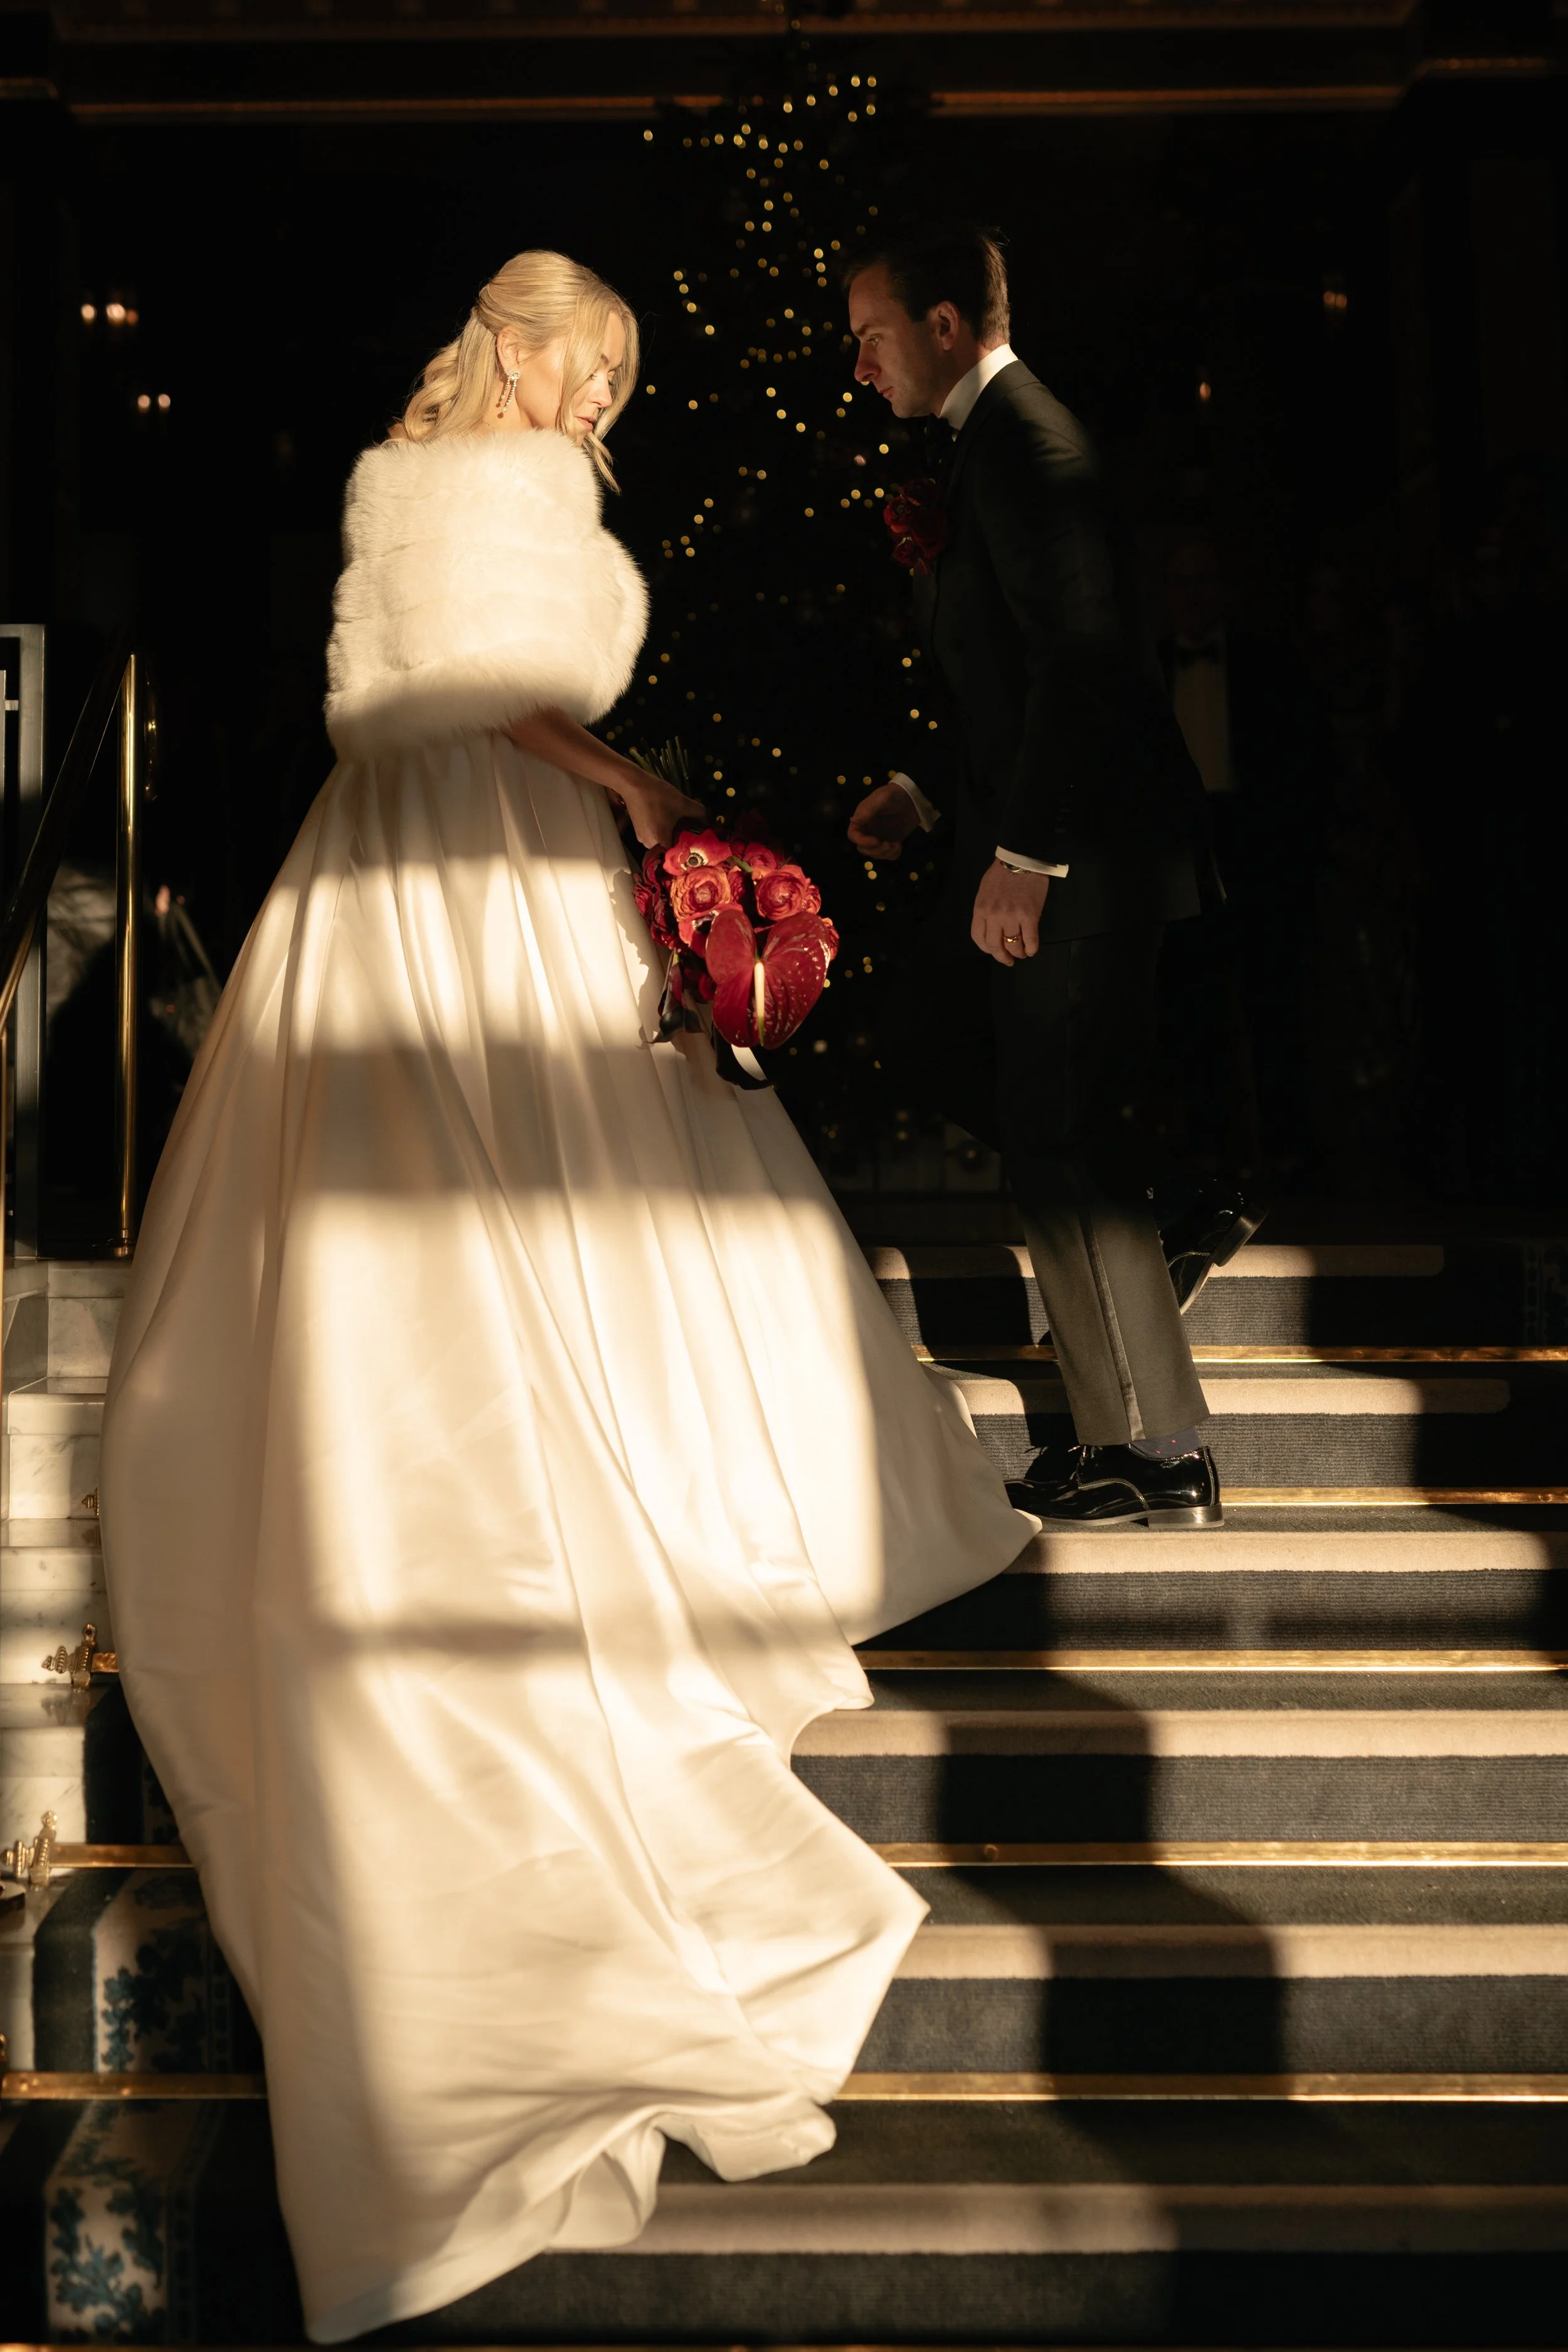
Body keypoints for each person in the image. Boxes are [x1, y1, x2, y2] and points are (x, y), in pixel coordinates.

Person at [100, 248, 1035, 2344]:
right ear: (523, 350)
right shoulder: (486, 486)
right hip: (480, 843)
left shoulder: (432, 477)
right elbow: (469, 692)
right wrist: (629, 786)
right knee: (540, 1197)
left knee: (531, 1199)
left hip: (418, 854)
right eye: (585, 360)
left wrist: (609, 775)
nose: (597, 395)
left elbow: (431, 683)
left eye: (613, 369)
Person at [844, 222, 1256, 1532]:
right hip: (1021, 830)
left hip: (1078, 851)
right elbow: (1001, 672)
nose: (856, 367)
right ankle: (1178, 1211)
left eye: (870, 335)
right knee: (925, 1035)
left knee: (1061, 1138)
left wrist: (1025, 856)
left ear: (947, 325)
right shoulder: (981, 450)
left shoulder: (1031, 443)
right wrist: (920, 789)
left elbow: (1081, 667)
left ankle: (1154, 1447)